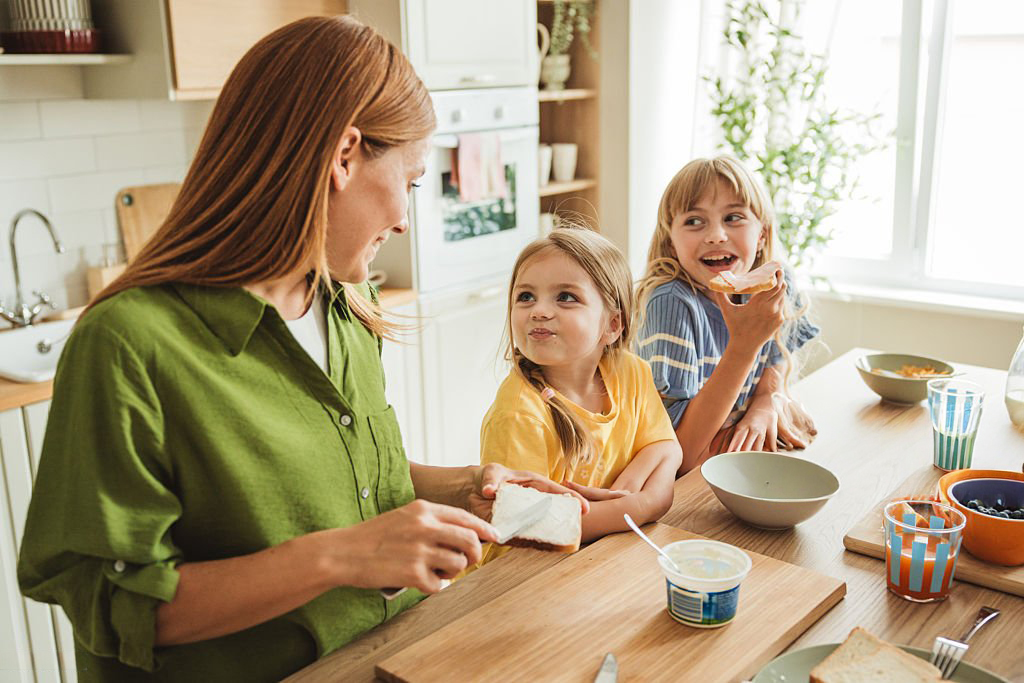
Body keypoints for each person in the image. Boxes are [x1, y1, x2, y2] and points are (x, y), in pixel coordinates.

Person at [16, 16, 584, 682]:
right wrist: (343, 556)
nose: (405, 220)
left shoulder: (346, 303)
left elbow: (336, 476)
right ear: (344, 156)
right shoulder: (127, 343)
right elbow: (116, 606)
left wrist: (462, 488)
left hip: (385, 657)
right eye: (409, 182)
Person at [474, 226, 681, 568]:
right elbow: (527, 526)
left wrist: (633, 487)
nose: (539, 311)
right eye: (525, 297)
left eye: (566, 297)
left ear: (612, 325)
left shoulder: (630, 371)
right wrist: (638, 505)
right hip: (520, 577)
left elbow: (667, 447)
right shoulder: (518, 415)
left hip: (599, 560)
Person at [635, 155, 820, 475]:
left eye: (733, 217)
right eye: (694, 221)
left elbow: (776, 361)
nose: (716, 235)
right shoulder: (671, 304)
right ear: (671, 241)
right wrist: (744, 346)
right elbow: (681, 456)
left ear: (762, 234)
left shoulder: (777, 282)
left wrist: (765, 401)